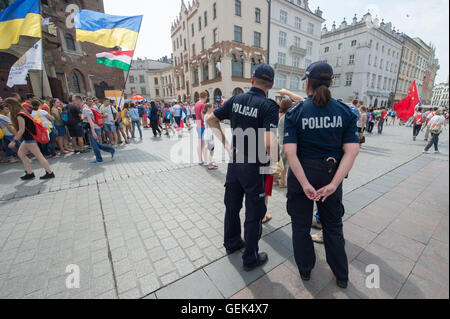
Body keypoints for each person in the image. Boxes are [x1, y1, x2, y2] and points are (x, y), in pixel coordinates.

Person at [283, 61, 360, 289]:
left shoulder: (295, 112)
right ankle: (342, 275)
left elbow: (290, 152)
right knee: (333, 226)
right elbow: (352, 151)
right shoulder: (346, 112)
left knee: (300, 226)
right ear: (331, 82)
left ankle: (306, 270)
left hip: (301, 174)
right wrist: (334, 184)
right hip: (331, 173)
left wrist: (305, 183)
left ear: (307, 83)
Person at [207, 64, 279, 271]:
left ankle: (232, 243)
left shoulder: (236, 99)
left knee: (232, 206)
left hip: (235, 161)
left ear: (252, 80)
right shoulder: (269, 106)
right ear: (271, 84)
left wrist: (227, 146)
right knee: (254, 212)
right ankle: (251, 257)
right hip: (255, 165)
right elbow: (268, 143)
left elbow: (211, 119)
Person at [5, 97, 55, 180]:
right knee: (21, 154)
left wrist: (14, 141)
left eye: (7, 107)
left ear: (11, 106)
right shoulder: (23, 112)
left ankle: (49, 172)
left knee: (39, 156)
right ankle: (29, 172)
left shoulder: (20, 115)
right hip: (28, 139)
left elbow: (21, 129)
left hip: (29, 139)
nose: (7, 109)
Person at [82, 97, 115, 164]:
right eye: (90, 100)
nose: (91, 101)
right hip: (95, 127)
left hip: (94, 127)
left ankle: (99, 159)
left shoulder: (93, 108)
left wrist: (97, 126)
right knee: (95, 144)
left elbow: (99, 117)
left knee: (94, 144)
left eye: (92, 100)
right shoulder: (91, 108)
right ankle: (111, 150)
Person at [202, 103, 218, 170]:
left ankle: (211, 163)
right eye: (212, 107)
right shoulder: (207, 115)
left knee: (211, 149)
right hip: (209, 134)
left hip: (208, 133)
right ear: (209, 108)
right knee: (211, 149)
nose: (213, 108)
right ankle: (210, 164)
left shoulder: (207, 115)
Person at [195, 91, 209, 165]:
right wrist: (206, 122)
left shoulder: (197, 104)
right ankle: (206, 161)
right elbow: (202, 115)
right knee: (204, 144)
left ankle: (200, 160)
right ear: (205, 96)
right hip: (202, 124)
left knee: (199, 143)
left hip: (197, 123)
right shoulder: (203, 105)